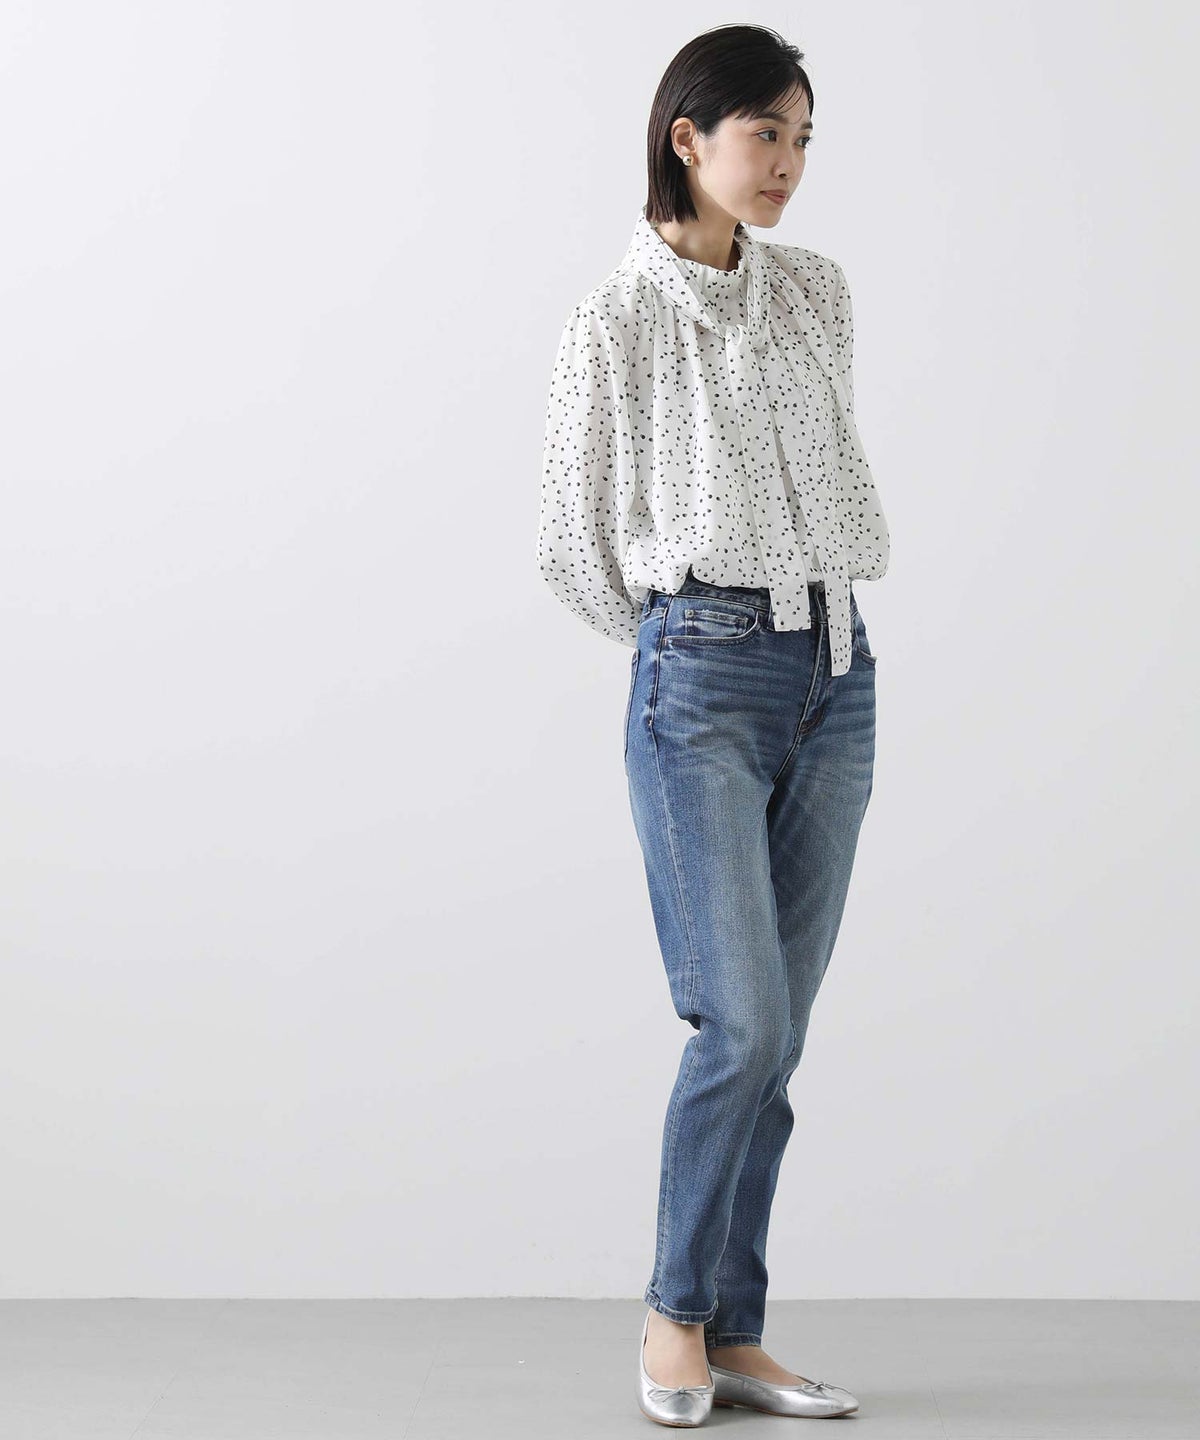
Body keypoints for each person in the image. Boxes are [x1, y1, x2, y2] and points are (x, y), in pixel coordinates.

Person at [537, 23, 889, 1428]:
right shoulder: (615, 322)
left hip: (839, 669)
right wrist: (685, 641)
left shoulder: (818, 294)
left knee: (779, 1038)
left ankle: (736, 1331)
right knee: (737, 1021)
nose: (789, 163)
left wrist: (796, 639)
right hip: (702, 680)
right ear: (687, 138)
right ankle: (673, 1318)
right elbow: (572, 542)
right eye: (764, 135)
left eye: (803, 138)